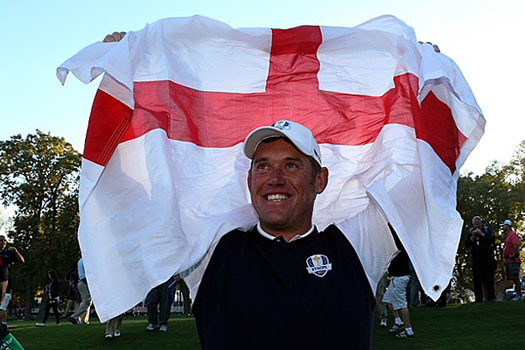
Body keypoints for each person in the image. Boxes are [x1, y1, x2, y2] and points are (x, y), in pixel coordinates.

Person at [190, 120, 398, 349]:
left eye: (291, 166)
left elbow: (420, 183)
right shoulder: (213, 250)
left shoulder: (355, 246)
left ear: (320, 180)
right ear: (249, 181)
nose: (275, 178)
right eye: (263, 166)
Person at [382, 241, 415, 339]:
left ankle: (409, 331)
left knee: (401, 305)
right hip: (396, 278)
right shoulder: (398, 246)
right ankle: (398, 321)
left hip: (399, 278)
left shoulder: (399, 247)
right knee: (387, 300)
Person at [465, 216, 495, 302]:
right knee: (477, 278)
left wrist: (482, 234)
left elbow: (492, 239)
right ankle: (479, 298)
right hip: (476, 258)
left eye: (478, 224)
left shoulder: (486, 229)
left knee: (489, 278)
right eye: (475, 224)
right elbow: (467, 243)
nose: (476, 226)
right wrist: (473, 236)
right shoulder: (470, 231)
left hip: (487, 257)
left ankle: (491, 297)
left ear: (481, 223)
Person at [0, 235, 24, 324]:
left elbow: (22, 260)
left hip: (5, 284)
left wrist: (16, 251)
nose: (3, 242)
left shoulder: (8, 253)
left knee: (2, 307)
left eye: (4, 240)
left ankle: (3, 326)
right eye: (1, 240)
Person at [68, 258, 92, 325]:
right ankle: (75, 316)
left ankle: (84, 319)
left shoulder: (80, 261)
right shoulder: (84, 261)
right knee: (86, 302)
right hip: (84, 282)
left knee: (86, 302)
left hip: (81, 282)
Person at [502, 219, 521, 300]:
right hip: (509, 260)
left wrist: (514, 254)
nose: (503, 227)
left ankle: (519, 295)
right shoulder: (509, 235)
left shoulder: (512, 235)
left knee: (515, 278)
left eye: (504, 225)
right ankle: (518, 294)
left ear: (508, 226)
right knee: (513, 278)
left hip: (513, 260)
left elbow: (516, 244)